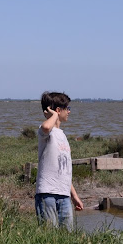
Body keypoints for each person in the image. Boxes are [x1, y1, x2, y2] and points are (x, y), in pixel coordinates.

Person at [35, 91, 83, 230]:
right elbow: (46, 127)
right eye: (67, 108)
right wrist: (54, 116)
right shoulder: (46, 131)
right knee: (49, 236)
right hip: (47, 193)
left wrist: (74, 196)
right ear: (57, 110)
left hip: (64, 195)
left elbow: (65, 171)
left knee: (66, 236)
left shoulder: (62, 135)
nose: (69, 111)